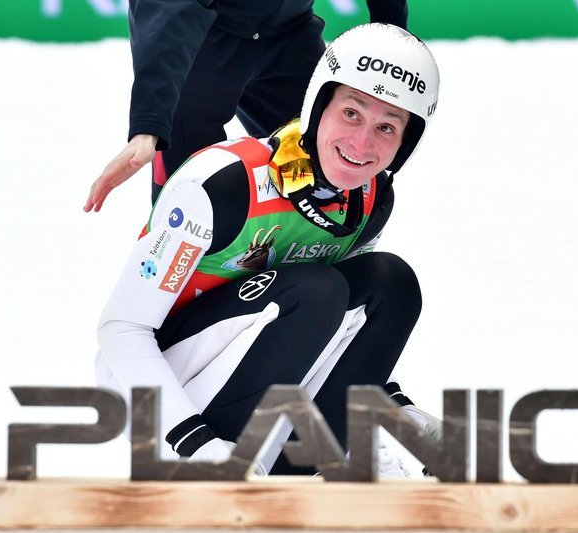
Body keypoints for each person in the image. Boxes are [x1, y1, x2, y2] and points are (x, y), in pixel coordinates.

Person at [94, 23, 440, 476]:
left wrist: (397, 409)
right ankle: (225, 468)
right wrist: (195, 443)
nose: (362, 144)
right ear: (317, 107)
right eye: (351, 113)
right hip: (154, 393)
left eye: (386, 128)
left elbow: (347, 332)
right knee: (316, 290)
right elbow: (121, 330)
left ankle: (310, 463)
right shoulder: (225, 183)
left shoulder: (369, 200)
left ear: (404, 145)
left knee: (388, 282)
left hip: (256, 375)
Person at [83, 1, 407, 212]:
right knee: (188, 194)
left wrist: (392, 41)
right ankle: (174, 282)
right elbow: (167, 9)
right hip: (206, 33)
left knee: (327, 173)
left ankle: (306, 270)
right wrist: (149, 125)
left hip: (290, 31)